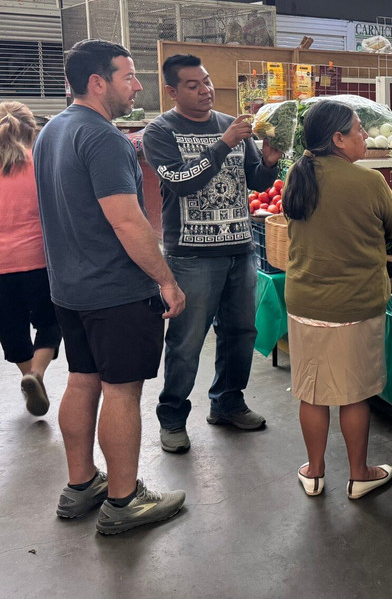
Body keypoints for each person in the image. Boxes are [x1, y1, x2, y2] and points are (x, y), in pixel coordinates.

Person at [34, 39, 186, 535]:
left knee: (83, 379)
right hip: (115, 291)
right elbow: (126, 219)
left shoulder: (51, 131)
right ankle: (123, 502)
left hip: (70, 288)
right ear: (98, 82)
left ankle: (81, 485)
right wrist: (165, 279)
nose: (138, 85)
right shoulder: (103, 137)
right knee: (122, 392)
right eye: (129, 76)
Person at [142, 54, 281, 454]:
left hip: (240, 248)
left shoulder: (229, 125)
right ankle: (172, 417)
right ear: (172, 91)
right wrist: (223, 145)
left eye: (206, 82)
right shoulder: (160, 132)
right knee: (187, 341)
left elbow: (255, 178)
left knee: (241, 333)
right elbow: (183, 182)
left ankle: (227, 403)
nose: (205, 90)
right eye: (192, 85)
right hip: (191, 256)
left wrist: (268, 160)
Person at [282, 100, 392, 500]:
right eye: (358, 130)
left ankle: (313, 473)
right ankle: (359, 474)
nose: (364, 136)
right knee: (354, 394)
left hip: (304, 302)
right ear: (338, 139)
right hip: (354, 305)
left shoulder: (298, 176)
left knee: (311, 392)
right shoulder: (368, 183)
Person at [0, 101, 60, 416]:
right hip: (40, 261)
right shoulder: (40, 164)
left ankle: (27, 375)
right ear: (31, 131)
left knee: (11, 328)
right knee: (52, 321)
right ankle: (36, 374)